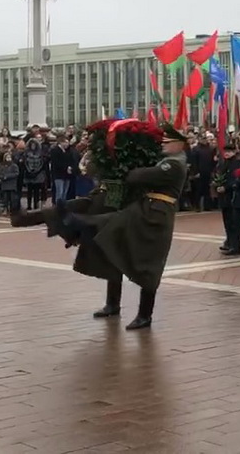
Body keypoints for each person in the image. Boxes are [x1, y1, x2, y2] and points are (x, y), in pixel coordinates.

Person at [52, 124, 189, 330]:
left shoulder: (173, 165)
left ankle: (145, 315)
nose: (162, 145)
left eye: (166, 143)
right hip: (145, 209)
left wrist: (133, 165)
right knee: (113, 236)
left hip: (158, 214)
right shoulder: (164, 161)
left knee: (149, 264)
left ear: (179, 145)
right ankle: (112, 303)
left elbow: (135, 177)